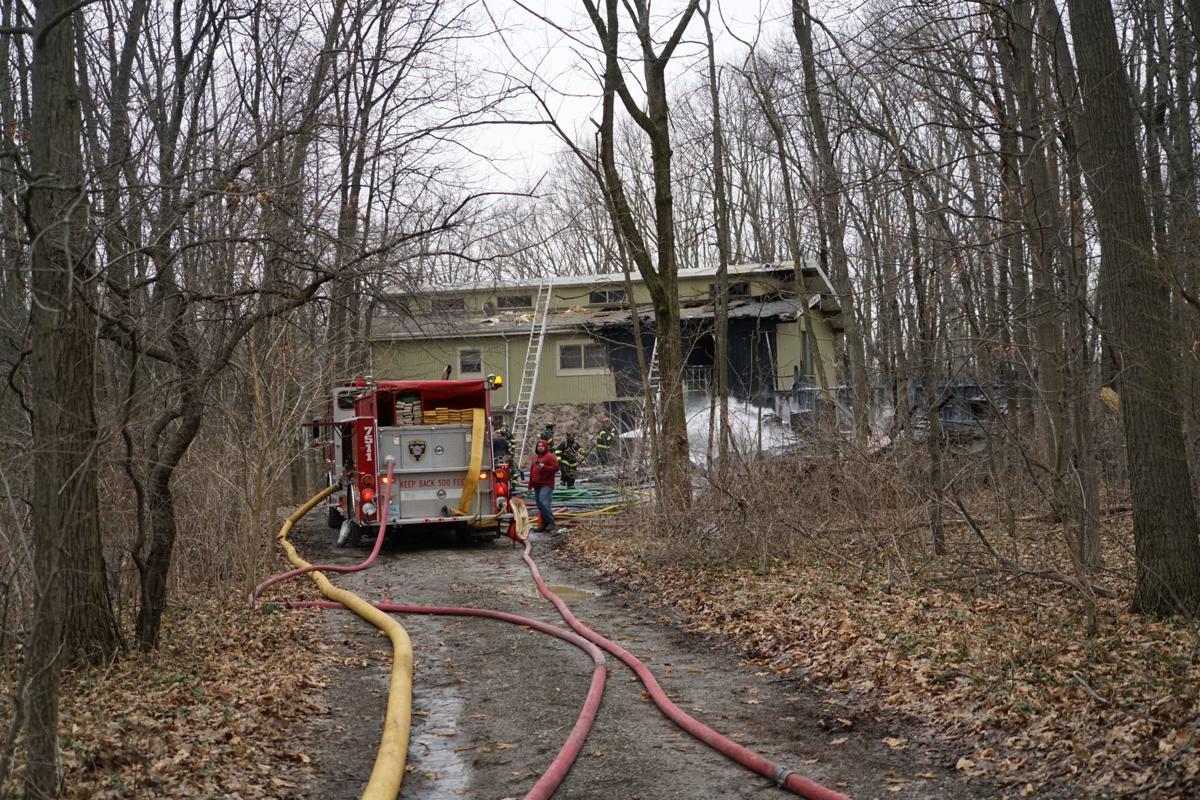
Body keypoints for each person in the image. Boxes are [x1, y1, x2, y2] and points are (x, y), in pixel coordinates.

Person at [529, 439, 558, 532]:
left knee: (544, 502)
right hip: (537, 484)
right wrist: (530, 484)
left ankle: (551, 523)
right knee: (539, 504)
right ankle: (544, 524)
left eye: (542, 446)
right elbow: (531, 471)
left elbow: (555, 468)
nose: (540, 447)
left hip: (546, 484)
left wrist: (544, 467)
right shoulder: (535, 457)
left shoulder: (550, 457)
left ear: (545, 447)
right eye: (539, 446)